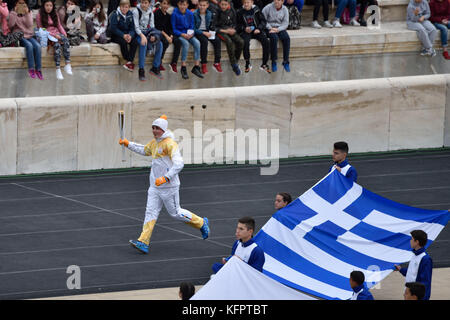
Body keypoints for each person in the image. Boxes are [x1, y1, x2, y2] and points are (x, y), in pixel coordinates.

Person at [119, 115, 210, 254]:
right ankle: (143, 241)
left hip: (169, 187)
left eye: (157, 128)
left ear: (163, 129)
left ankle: (201, 223)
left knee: (175, 213)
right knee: (150, 212)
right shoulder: (154, 143)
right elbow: (144, 150)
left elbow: (179, 164)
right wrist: (127, 143)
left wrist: (166, 178)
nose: (154, 130)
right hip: (155, 187)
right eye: (153, 128)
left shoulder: (170, 144)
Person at [36, 0, 73, 80]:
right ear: (43, 6)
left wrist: (64, 34)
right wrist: (54, 35)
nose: (49, 7)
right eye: (47, 5)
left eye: (50, 5)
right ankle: (58, 68)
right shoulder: (39, 15)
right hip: (46, 35)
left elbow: (59, 25)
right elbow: (41, 29)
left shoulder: (55, 13)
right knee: (57, 45)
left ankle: (67, 63)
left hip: (56, 34)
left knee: (65, 40)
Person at [8, 0, 42, 79]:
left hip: (29, 34)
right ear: (16, 3)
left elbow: (29, 24)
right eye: (19, 3)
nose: (21, 5)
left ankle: (39, 69)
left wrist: (27, 13)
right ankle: (31, 69)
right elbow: (11, 25)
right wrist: (14, 13)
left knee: (37, 46)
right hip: (19, 36)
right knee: (29, 46)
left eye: (23, 3)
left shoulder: (28, 12)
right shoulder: (12, 13)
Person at [394, 230, 433, 300]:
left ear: (417, 242)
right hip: (410, 295)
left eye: (412, 239)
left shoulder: (425, 259)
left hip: (416, 297)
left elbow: (425, 282)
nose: (410, 241)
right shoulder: (414, 255)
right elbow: (412, 272)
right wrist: (401, 269)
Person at [171, 0, 204, 79]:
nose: (182, 6)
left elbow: (192, 26)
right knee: (186, 44)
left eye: (184, 5)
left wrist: (191, 33)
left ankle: (196, 67)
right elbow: (174, 29)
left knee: (197, 43)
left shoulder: (190, 13)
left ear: (187, 5)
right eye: (181, 4)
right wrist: (183, 34)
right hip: (179, 34)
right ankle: (183, 67)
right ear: (178, 4)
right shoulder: (174, 14)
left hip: (189, 34)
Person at [236, 0, 271, 73]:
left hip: (256, 30)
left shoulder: (257, 10)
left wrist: (259, 28)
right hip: (246, 31)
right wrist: (244, 28)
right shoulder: (240, 12)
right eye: (245, 3)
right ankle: (247, 63)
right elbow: (237, 25)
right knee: (245, 42)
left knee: (266, 42)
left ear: (252, 3)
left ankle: (264, 63)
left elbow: (263, 21)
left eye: (248, 2)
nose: (246, 4)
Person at [132, 0, 163, 81]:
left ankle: (155, 67)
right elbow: (136, 27)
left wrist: (152, 35)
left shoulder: (150, 13)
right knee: (143, 43)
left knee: (160, 44)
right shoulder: (136, 11)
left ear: (149, 4)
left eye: (146, 3)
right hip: (138, 33)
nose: (143, 4)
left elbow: (152, 26)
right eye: (142, 2)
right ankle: (141, 70)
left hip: (148, 33)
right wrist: (142, 36)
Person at [194, 0, 223, 74]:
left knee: (217, 40)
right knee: (204, 42)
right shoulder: (194, 14)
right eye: (200, 5)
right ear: (198, 5)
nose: (202, 7)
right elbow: (193, 29)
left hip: (207, 31)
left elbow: (211, 25)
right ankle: (203, 64)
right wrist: (203, 32)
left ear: (207, 6)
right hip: (198, 32)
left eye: (204, 5)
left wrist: (211, 31)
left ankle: (217, 62)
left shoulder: (209, 14)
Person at [216, 0, 244, 76]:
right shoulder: (216, 11)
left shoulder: (232, 10)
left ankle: (235, 61)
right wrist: (225, 31)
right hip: (221, 31)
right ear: (219, 4)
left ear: (228, 4)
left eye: (225, 4)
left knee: (241, 41)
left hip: (230, 30)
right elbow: (213, 27)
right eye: (222, 4)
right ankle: (234, 64)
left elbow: (235, 23)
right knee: (229, 42)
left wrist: (233, 29)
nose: (223, 6)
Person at [110, 0, 139, 71]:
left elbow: (132, 28)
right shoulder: (115, 14)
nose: (124, 9)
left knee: (135, 42)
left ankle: (129, 62)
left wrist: (130, 35)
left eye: (126, 7)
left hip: (127, 34)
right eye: (122, 7)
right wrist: (123, 35)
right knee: (123, 42)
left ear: (129, 7)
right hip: (117, 35)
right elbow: (113, 28)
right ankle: (128, 59)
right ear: (120, 7)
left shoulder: (130, 14)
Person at [262, 0, 290, 72]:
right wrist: (270, 28)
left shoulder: (285, 9)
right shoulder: (267, 7)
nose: (276, 2)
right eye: (276, 0)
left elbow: (285, 23)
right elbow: (262, 20)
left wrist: (278, 29)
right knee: (274, 38)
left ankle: (286, 61)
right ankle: (274, 61)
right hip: (269, 28)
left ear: (282, 1)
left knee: (286, 38)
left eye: (279, 0)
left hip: (279, 28)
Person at [154, 0, 182, 72]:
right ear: (160, 4)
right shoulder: (156, 13)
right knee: (165, 42)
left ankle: (174, 63)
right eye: (164, 3)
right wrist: (167, 37)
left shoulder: (168, 15)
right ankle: (159, 61)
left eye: (167, 4)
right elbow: (158, 27)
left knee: (178, 42)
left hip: (168, 34)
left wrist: (171, 36)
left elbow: (170, 28)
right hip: (159, 33)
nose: (165, 6)